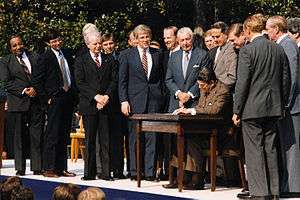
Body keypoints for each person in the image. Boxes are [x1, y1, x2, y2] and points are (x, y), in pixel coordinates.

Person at [232, 14, 291, 200]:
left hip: (252, 109)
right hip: (273, 107)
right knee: (270, 149)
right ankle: (273, 191)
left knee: (254, 150)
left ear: (248, 30)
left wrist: (236, 110)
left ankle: (259, 192)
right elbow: (285, 80)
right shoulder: (278, 49)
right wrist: (281, 103)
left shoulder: (247, 51)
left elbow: (242, 83)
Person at [164, 27, 212, 189]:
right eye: (182, 40)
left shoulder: (202, 55)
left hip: (194, 104)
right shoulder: (174, 56)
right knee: (175, 142)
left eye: (188, 39)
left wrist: (189, 95)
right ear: (178, 41)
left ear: (192, 39)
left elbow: (205, 77)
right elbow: (168, 79)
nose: (185, 43)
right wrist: (178, 94)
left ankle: (196, 179)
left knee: (193, 141)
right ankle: (179, 178)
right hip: (176, 104)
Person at [172, 66, 232, 190]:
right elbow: (200, 106)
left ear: (212, 82)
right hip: (205, 128)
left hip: (221, 132)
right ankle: (182, 176)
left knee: (193, 140)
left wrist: (192, 111)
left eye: (202, 85)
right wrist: (186, 110)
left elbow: (214, 110)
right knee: (181, 136)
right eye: (199, 85)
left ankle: (198, 178)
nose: (200, 88)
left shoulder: (223, 91)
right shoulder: (205, 89)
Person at [119, 24, 165, 181]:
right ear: (136, 39)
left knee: (152, 137)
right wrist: (124, 100)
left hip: (154, 101)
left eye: (147, 37)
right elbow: (122, 81)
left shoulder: (158, 53)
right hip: (134, 101)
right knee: (134, 138)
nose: (145, 40)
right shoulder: (126, 55)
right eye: (142, 37)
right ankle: (134, 171)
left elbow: (162, 79)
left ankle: (150, 172)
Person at [32, 30, 77, 178]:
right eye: (53, 42)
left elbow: (71, 74)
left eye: (58, 40)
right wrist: (46, 99)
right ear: (48, 43)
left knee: (64, 133)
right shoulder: (45, 57)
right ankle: (49, 168)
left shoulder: (67, 53)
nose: (57, 44)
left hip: (67, 97)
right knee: (52, 134)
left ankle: (61, 167)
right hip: (54, 99)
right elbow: (37, 81)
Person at [75, 30, 117, 181]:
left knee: (105, 140)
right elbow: (80, 83)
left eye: (100, 43)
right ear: (88, 45)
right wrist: (96, 97)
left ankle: (106, 172)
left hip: (106, 105)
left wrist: (106, 97)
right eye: (95, 44)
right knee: (90, 140)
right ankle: (89, 173)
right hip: (90, 105)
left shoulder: (109, 59)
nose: (98, 46)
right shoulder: (81, 60)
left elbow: (114, 80)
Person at [266, 15, 300, 198]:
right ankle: (287, 184)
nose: (267, 32)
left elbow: (292, 76)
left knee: (291, 147)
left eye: (268, 29)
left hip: (292, 106)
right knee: (286, 146)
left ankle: (293, 187)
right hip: (288, 105)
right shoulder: (284, 44)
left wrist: (285, 103)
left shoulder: (288, 45)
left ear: (276, 29)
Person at [0, 35, 44, 176]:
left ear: (23, 44)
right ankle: (20, 167)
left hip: (36, 102)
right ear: (10, 48)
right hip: (18, 103)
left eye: (20, 44)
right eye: (14, 45)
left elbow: (41, 75)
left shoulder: (35, 57)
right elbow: (7, 82)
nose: (18, 47)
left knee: (36, 135)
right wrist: (25, 90)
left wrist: (35, 89)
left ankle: (37, 167)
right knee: (18, 136)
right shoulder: (5, 61)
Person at [210, 21, 237, 89]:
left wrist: (215, 87)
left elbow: (231, 78)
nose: (215, 40)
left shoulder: (231, 50)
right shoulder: (215, 50)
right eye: (213, 37)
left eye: (217, 37)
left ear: (226, 34)